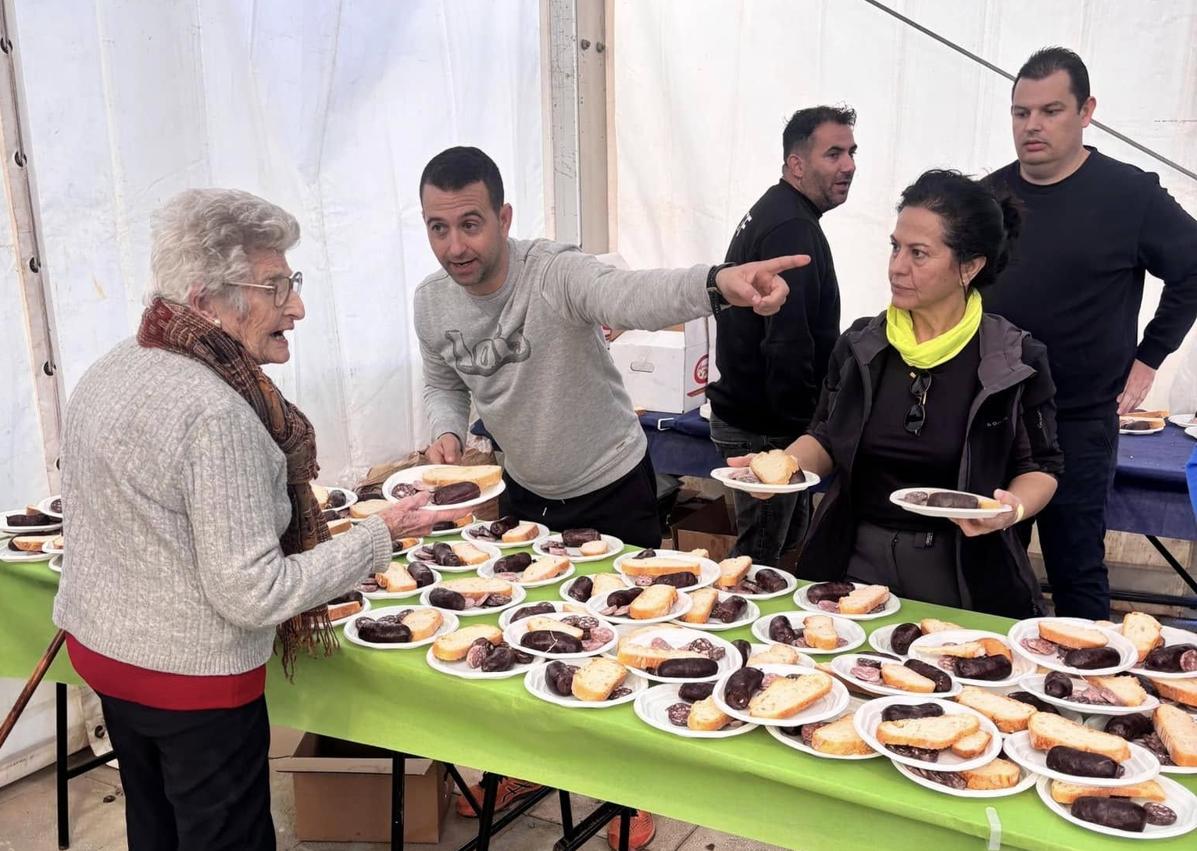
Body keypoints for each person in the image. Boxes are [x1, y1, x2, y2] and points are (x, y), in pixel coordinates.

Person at [414, 145, 802, 849]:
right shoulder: (430, 302)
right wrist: (444, 428)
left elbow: (633, 295)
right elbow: (444, 377)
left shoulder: (552, 274)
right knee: (523, 640)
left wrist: (720, 282)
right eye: (437, 228)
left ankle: (629, 790)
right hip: (525, 494)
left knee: (626, 645)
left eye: (469, 225)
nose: (454, 246)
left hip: (610, 486)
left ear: (503, 217)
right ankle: (528, 765)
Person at [51, 189, 457, 851]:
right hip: (190, 680)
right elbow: (253, 592)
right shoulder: (217, 413)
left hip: (106, 656)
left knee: (155, 828)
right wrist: (377, 537)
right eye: (275, 287)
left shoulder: (116, 363)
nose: (295, 306)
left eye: (291, 282)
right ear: (205, 299)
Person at [733, 170, 1063, 617]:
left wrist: (1013, 507)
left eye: (919, 254)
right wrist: (780, 469)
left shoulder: (1014, 358)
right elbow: (826, 437)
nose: (897, 266)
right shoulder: (862, 345)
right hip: (852, 561)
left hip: (965, 571)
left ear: (970, 265)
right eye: (895, 247)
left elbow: (1041, 467)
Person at [983, 47, 1197, 620]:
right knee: (983, 561)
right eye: (1021, 112)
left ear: (1087, 112)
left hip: (1077, 421)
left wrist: (1150, 358)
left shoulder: (1130, 196)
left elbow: (1192, 268)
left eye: (1051, 110)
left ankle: (1089, 701)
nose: (1032, 125)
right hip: (992, 418)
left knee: (1075, 566)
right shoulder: (987, 199)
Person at [707, 104, 855, 569]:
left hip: (759, 418)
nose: (848, 166)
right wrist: (806, 431)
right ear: (796, 164)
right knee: (758, 558)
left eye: (852, 153)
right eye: (833, 154)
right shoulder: (791, 226)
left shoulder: (781, 212)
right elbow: (788, 343)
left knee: (784, 539)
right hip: (765, 427)